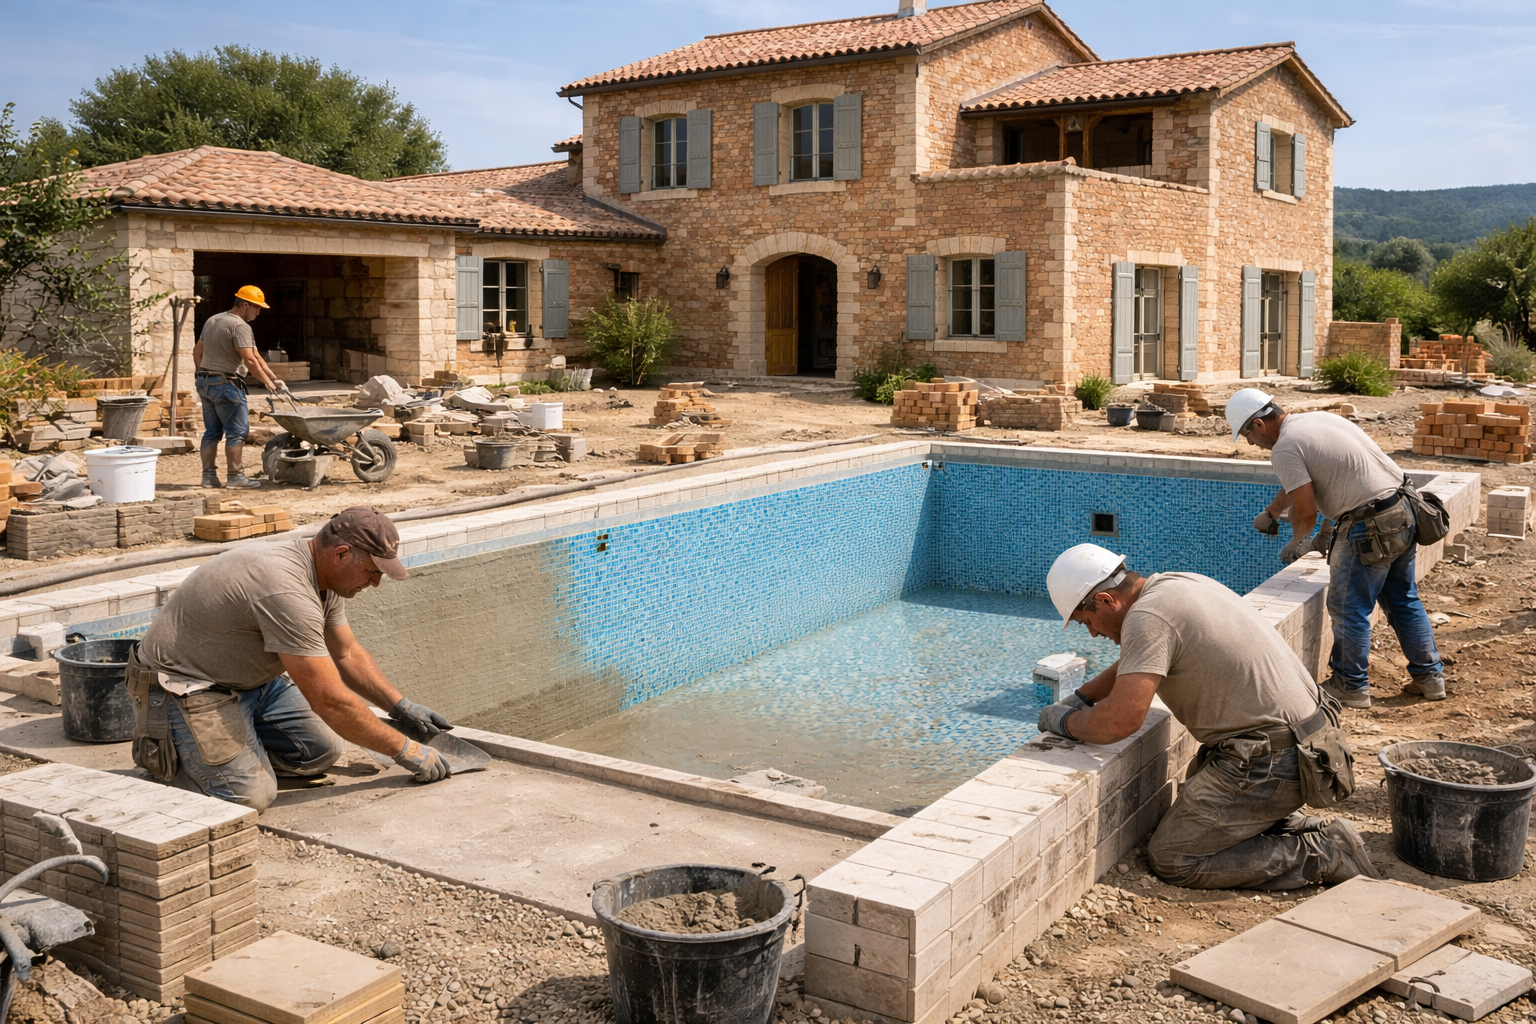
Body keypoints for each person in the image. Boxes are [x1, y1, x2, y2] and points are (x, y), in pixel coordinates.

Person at [1035, 543, 1379, 891]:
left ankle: (1324, 852)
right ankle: (1312, 830)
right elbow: (1137, 659)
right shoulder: (1173, 586)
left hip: (1276, 761)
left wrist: (1062, 722)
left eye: (1087, 621)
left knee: (1174, 858)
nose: (1093, 633)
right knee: (1199, 796)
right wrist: (1082, 698)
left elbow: (1119, 722)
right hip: (1309, 743)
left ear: (1107, 600)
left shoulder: (1147, 618)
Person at [125, 507, 453, 811]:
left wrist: (400, 706)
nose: (375, 583)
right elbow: (329, 700)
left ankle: (230, 757)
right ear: (341, 555)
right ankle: (171, 768)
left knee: (322, 751)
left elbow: (346, 653)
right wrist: (405, 749)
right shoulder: (285, 589)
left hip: (251, 683)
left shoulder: (324, 579)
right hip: (184, 688)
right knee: (249, 796)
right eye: (371, 571)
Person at [1227, 387, 1444, 708]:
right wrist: (1273, 512)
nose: (1249, 442)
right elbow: (1315, 478)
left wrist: (1298, 544)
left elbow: (1306, 511)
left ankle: (1350, 685)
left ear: (1259, 424)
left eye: (1247, 434)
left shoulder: (1284, 447)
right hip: (1405, 509)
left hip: (1371, 525)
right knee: (1403, 599)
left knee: (1348, 607)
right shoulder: (1315, 420)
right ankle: (1430, 677)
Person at [194, 285, 289, 489]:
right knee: (236, 433)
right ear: (245, 305)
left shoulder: (213, 320)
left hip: (206, 383)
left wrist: (274, 378)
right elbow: (250, 360)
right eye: (257, 307)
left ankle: (208, 478)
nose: (259, 312)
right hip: (226, 384)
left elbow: (197, 351)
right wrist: (267, 383)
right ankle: (235, 476)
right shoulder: (240, 327)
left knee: (212, 432)